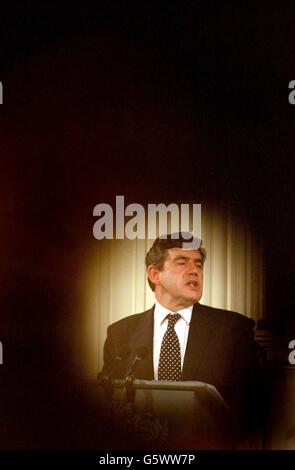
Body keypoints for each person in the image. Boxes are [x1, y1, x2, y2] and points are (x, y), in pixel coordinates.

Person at [101, 233, 262, 446]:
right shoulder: (120, 333)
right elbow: (107, 403)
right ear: (154, 274)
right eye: (181, 262)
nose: (194, 270)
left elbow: (254, 407)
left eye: (198, 264)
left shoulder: (233, 329)